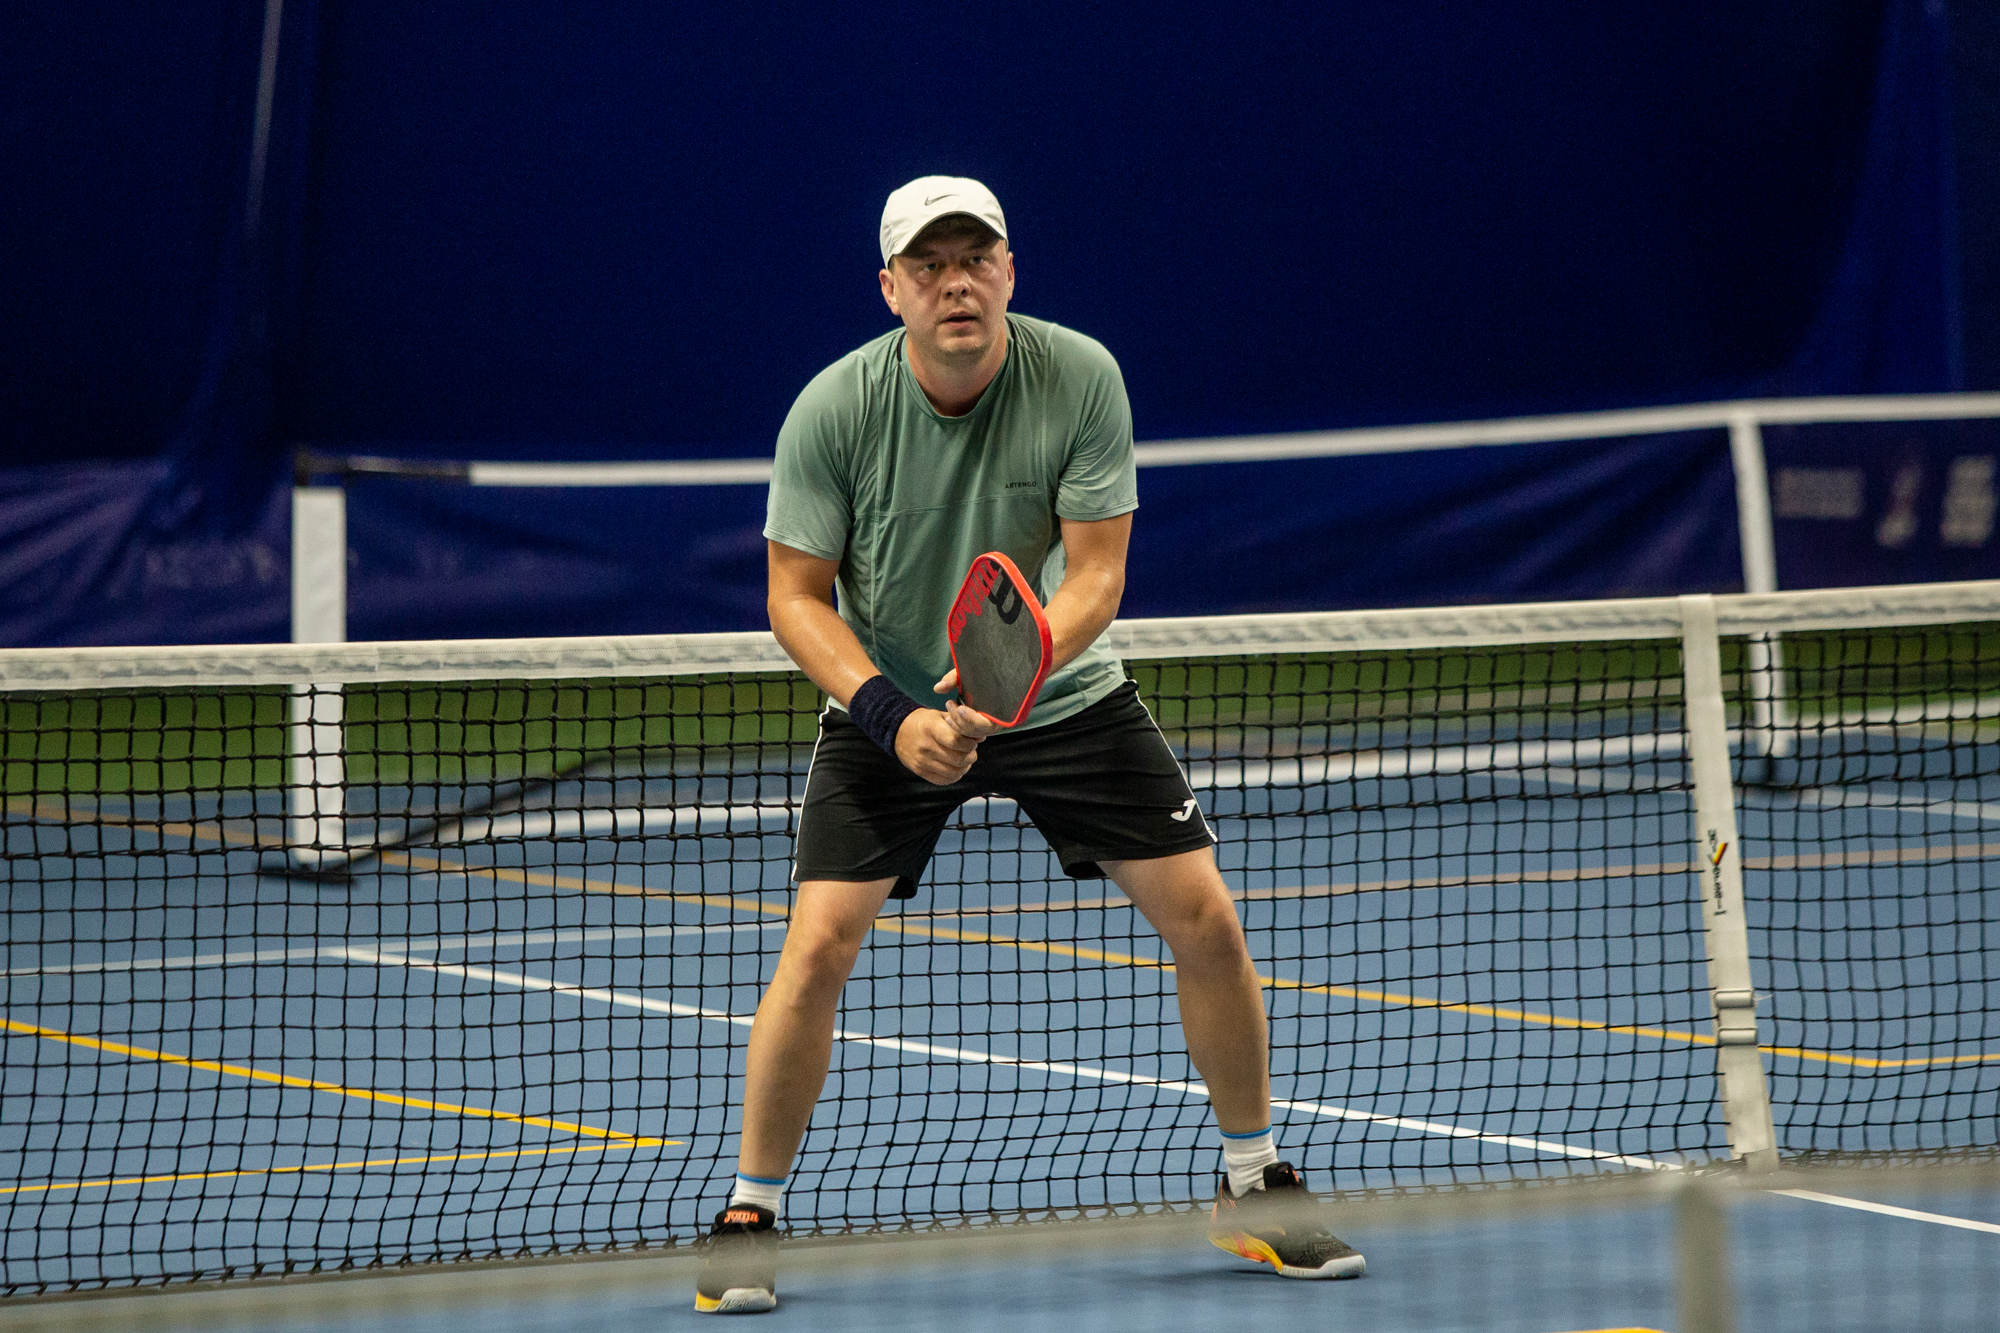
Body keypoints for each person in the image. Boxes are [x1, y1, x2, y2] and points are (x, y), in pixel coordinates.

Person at [694, 176, 1364, 1314]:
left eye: (976, 258)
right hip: (889, 704)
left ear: (1009, 271)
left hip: (1063, 694)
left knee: (1205, 917)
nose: (955, 282)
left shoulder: (1080, 375)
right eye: (929, 264)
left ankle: (1254, 1181)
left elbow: (1096, 574)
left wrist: (1017, 667)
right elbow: (794, 597)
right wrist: (891, 715)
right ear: (891, 288)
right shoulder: (833, 409)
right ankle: (747, 1215)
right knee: (817, 946)